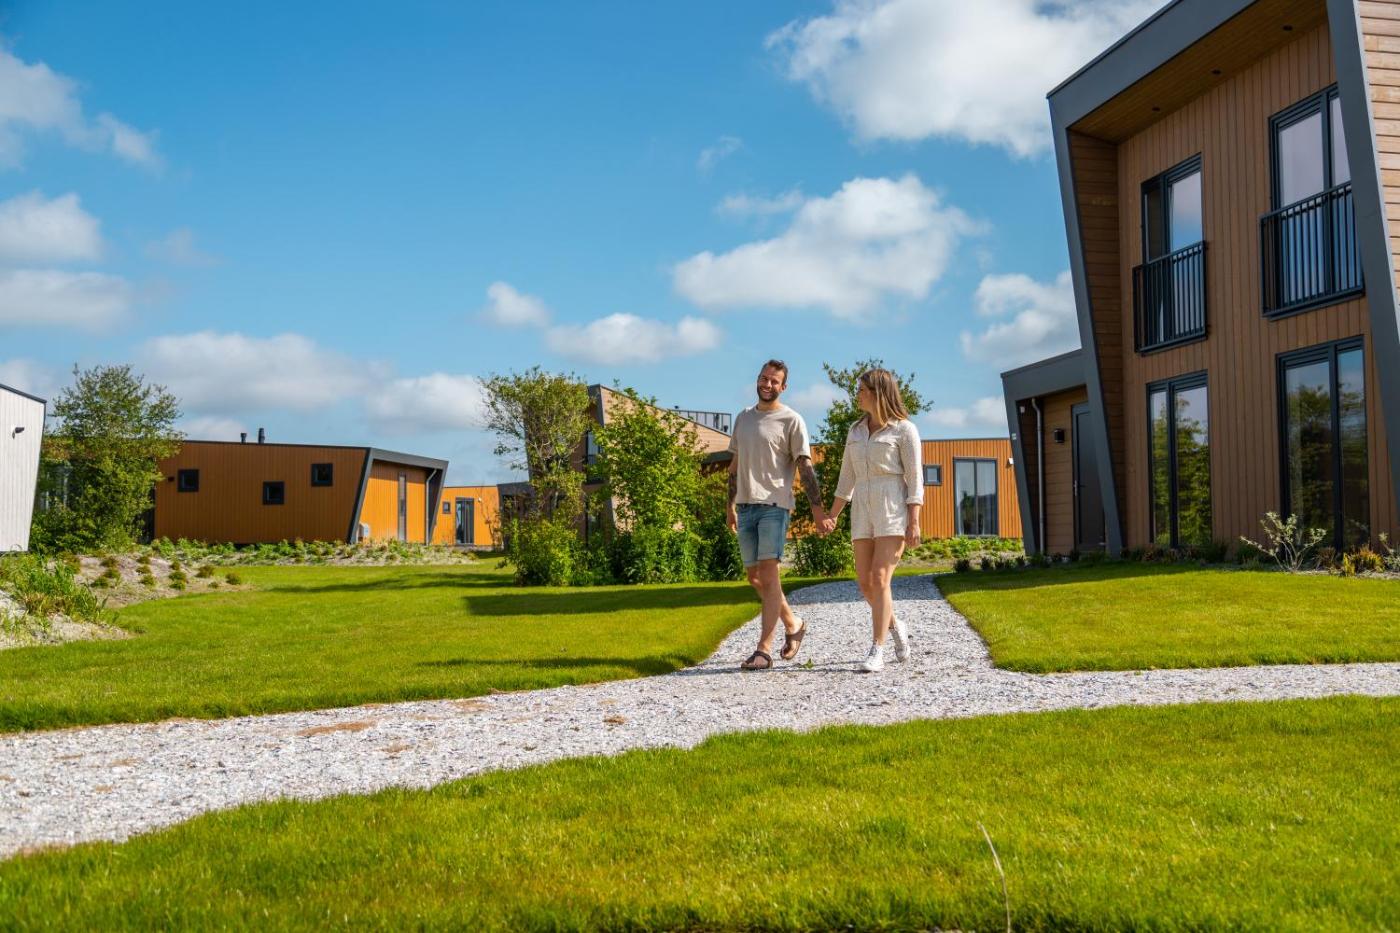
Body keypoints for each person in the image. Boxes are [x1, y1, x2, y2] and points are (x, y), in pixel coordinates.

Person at [726, 359, 832, 671]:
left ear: (783, 387)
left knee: (769, 576)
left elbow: (805, 468)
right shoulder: (743, 418)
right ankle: (794, 623)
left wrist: (818, 512)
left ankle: (764, 650)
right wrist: (729, 507)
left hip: (774, 507)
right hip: (745, 508)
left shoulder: (791, 420)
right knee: (755, 577)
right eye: (764, 378)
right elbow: (734, 468)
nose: (767, 384)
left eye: (774, 381)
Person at [827, 368, 922, 673]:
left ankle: (877, 649)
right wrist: (832, 515)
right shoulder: (855, 431)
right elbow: (847, 478)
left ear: (878, 393)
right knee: (866, 583)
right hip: (862, 511)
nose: (857, 394)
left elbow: (915, 480)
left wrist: (914, 521)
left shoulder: (904, 430)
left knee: (880, 578)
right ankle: (895, 625)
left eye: (861, 390)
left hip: (892, 509)